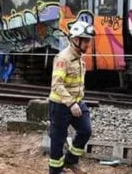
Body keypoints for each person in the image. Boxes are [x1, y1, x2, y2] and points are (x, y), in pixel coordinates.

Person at [47, 22, 95, 174]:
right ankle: (55, 170)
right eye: (86, 40)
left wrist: (76, 102)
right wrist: (71, 103)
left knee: (86, 130)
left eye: (89, 40)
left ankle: (70, 160)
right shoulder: (63, 58)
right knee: (58, 139)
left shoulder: (79, 57)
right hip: (60, 105)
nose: (88, 44)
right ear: (75, 40)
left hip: (76, 102)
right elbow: (56, 84)